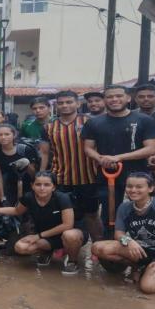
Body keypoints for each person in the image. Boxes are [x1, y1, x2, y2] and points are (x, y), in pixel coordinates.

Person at [92, 172, 155, 295]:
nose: (133, 190)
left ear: (150, 188)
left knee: (149, 287)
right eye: (129, 186)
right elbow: (118, 234)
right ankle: (140, 267)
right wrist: (129, 241)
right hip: (144, 249)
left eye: (139, 187)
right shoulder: (124, 208)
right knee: (97, 248)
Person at [82, 85, 155, 229]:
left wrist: (118, 158)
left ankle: (143, 240)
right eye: (110, 97)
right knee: (109, 215)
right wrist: (101, 159)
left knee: (144, 212)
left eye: (119, 96)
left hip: (139, 175)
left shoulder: (144, 120)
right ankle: (111, 239)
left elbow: (151, 148)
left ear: (128, 98)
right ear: (105, 100)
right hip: (107, 175)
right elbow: (88, 148)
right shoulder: (94, 123)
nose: (114, 99)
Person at [0, 171, 86, 274]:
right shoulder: (28, 197)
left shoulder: (62, 198)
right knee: (21, 247)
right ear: (32, 186)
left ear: (53, 187)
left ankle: (72, 262)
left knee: (70, 235)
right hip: (47, 237)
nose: (42, 188)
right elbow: (16, 211)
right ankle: (46, 252)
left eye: (47, 185)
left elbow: (67, 225)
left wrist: (38, 236)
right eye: (38, 184)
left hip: (72, 235)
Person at [42, 90, 102, 241]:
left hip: (88, 177)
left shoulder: (91, 122)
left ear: (78, 103)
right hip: (60, 178)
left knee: (92, 214)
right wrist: (41, 174)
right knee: (62, 214)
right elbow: (44, 153)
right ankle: (63, 245)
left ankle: (97, 245)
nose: (65, 105)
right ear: (56, 105)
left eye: (69, 102)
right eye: (61, 103)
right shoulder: (48, 127)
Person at [0, 123, 37, 205]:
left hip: (27, 184)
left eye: (7, 134)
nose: (3, 137)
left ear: (14, 135)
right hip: (7, 185)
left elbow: (33, 174)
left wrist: (26, 165)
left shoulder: (25, 149)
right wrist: (2, 196)